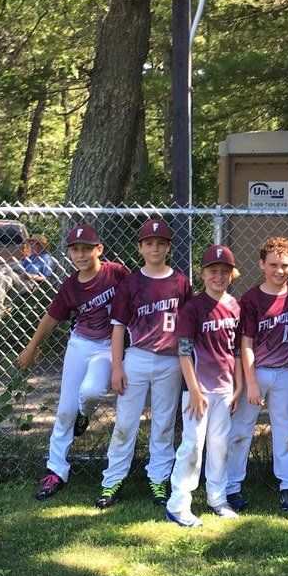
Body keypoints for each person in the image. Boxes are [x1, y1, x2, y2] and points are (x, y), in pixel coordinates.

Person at [18, 224, 128, 500]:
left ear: (99, 249)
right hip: (80, 344)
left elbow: (137, 299)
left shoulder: (116, 272)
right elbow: (52, 317)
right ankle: (56, 471)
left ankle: (85, 412)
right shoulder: (70, 286)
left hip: (107, 346)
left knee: (91, 392)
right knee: (65, 409)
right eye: (75, 250)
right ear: (69, 253)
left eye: (87, 249)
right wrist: (32, 346)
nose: (81, 254)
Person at [96, 218, 191, 509]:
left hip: (170, 359)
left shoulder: (180, 281)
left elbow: (187, 327)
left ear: (168, 247)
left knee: (163, 423)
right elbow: (118, 328)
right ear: (140, 247)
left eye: (161, 243)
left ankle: (159, 478)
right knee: (125, 422)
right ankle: (112, 480)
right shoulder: (131, 283)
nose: (155, 248)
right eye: (149, 243)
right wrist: (117, 365)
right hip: (136, 356)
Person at [166, 246, 243, 526]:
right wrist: (194, 390)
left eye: (224, 271)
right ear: (202, 274)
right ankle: (179, 503)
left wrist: (238, 386)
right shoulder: (193, 308)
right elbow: (184, 353)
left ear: (232, 274)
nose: (218, 276)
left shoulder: (235, 306)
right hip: (197, 389)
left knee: (220, 444)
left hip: (225, 389)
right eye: (213, 271)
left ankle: (217, 498)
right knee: (193, 445)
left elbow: (235, 352)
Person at [225, 237, 288, 513]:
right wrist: (251, 383)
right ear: (261, 265)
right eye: (273, 265)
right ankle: (231, 487)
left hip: (282, 372)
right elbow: (245, 344)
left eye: (284, 265)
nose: (279, 271)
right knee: (241, 431)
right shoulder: (252, 298)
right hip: (255, 371)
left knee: (285, 430)